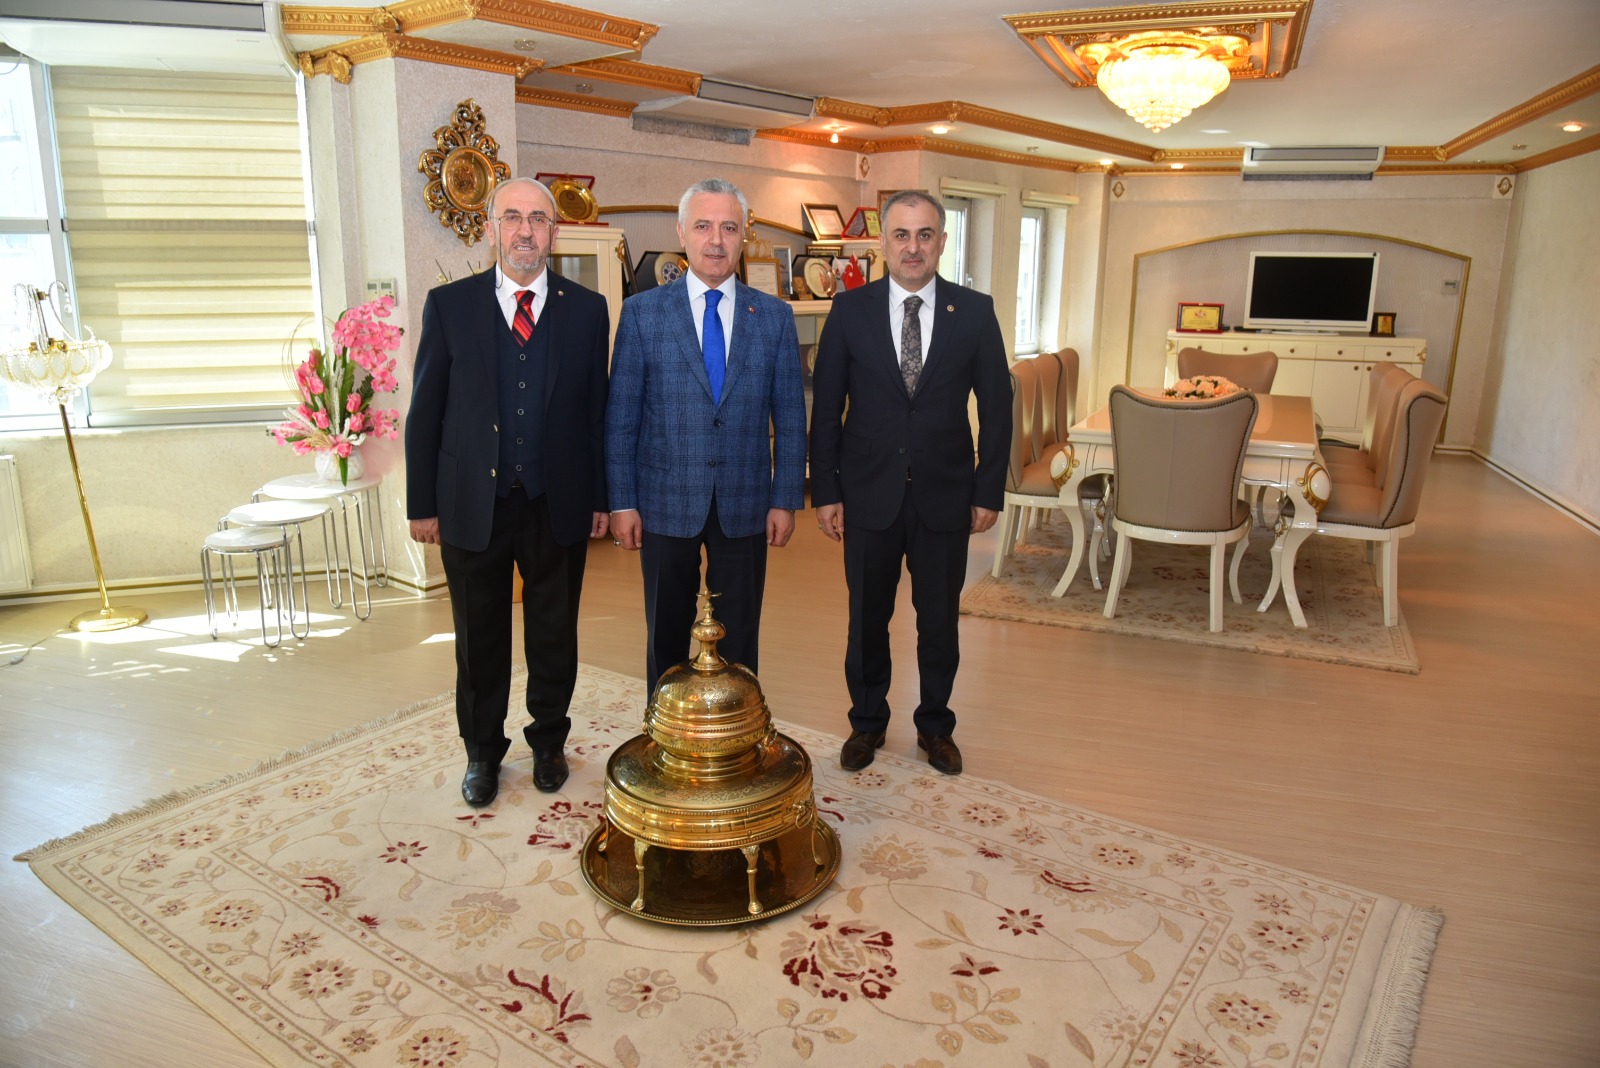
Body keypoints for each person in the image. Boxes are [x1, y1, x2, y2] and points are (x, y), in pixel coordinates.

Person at [405, 176, 611, 807]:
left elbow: (596, 414)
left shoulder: (587, 310)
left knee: (554, 632)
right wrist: (421, 504)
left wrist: (600, 498)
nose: (526, 230)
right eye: (513, 218)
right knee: (479, 636)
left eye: (538, 219)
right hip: (472, 502)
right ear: (492, 229)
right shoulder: (449, 305)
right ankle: (481, 753)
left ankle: (548, 742)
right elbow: (426, 410)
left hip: (557, 500)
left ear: (555, 231)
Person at [808, 189, 1011, 776]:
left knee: (938, 621)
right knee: (867, 619)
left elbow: (997, 409)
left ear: (942, 242)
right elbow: (827, 409)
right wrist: (827, 490)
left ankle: (936, 727)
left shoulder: (975, 312)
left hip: (946, 494)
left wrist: (987, 490)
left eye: (925, 235)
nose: (913, 247)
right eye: (901, 234)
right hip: (867, 494)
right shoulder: (850, 311)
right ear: (883, 242)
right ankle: (867, 722)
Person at [605, 178, 807, 687]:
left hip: (747, 502)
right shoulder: (642, 314)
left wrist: (786, 499)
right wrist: (622, 502)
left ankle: (739, 723)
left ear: (743, 236)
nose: (716, 240)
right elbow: (622, 417)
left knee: (740, 634)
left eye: (728, 228)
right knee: (665, 633)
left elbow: (790, 416)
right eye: (703, 226)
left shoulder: (774, 318)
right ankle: (663, 722)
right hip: (663, 500)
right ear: (681, 233)